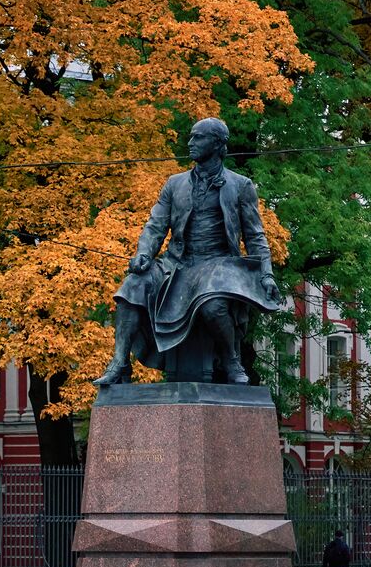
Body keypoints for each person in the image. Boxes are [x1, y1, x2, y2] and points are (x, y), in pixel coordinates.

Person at [94, 117, 282, 386]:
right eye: (191, 137)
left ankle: (231, 359)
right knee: (131, 288)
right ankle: (120, 364)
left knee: (213, 303)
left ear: (217, 144)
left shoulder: (240, 185)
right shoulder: (175, 183)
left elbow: (255, 235)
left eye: (198, 138)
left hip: (219, 263)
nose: (190, 143)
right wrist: (144, 254)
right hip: (177, 264)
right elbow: (155, 225)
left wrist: (266, 275)